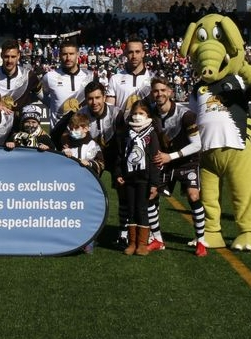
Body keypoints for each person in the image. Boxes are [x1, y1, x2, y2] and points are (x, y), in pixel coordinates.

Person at [149, 77, 207, 257]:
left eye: (163, 90)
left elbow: (197, 145)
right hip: (164, 162)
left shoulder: (186, 115)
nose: (159, 94)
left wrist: (170, 156)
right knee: (151, 194)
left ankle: (201, 241)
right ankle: (157, 239)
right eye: (156, 91)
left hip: (186, 161)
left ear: (170, 92)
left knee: (193, 195)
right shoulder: (150, 113)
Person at [113, 100, 160, 256]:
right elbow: (120, 155)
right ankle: (132, 243)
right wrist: (119, 173)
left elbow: (154, 159)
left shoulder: (151, 133)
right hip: (129, 178)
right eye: (135, 113)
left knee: (142, 210)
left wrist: (154, 183)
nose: (138, 117)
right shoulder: (126, 133)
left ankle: (142, 244)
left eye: (141, 113)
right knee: (131, 210)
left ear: (147, 115)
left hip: (144, 179)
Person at [59, 112, 105, 254]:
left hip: (87, 186)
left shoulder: (93, 145)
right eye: (72, 128)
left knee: (87, 213)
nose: (74, 131)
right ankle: (71, 239)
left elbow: (101, 164)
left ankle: (89, 240)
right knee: (71, 213)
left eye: (78, 128)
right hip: (70, 185)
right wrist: (63, 155)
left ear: (86, 128)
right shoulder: (67, 144)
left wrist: (90, 163)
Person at [39, 39, 93, 135]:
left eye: (71, 54)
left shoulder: (89, 77)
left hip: (82, 132)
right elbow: (43, 95)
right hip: (57, 132)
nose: (68, 58)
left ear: (77, 55)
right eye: (64, 54)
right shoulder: (49, 77)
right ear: (59, 55)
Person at [105, 36, 152, 113]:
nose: (134, 56)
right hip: (122, 124)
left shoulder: (152, 78)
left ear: (143, 53)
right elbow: (109, 110)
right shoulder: (115, 78)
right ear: (126, 53)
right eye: (130, 52)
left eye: (137, 52)